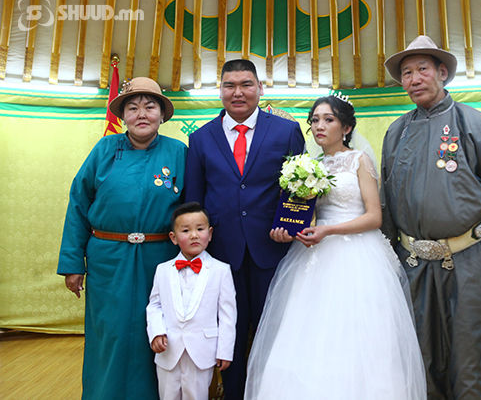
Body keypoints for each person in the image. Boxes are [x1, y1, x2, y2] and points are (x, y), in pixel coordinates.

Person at [244, 94, 427, 399]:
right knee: (309, 332)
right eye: (315, 120)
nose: (319, 126)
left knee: (357, 332)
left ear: (346, 127)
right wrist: (289, 232)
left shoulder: (359, 160)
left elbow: (374, 217)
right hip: (314, 254)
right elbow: (305, 216)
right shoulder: (307, 166)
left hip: (357, 253)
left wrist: (329, 230)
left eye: (328, 119)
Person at [380, 35, 481, 399]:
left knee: (474, 353)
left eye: (422, 70)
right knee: (420, 352)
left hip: (471, 262)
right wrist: (387, 264)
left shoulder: (474, 123)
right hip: (413, 264)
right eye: (406, 73)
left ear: (442, 72)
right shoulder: (396, 132)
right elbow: (387, 204)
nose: (414, 79)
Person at [57, 77, 187, 399]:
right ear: (123, 115)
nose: (141, 114)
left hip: (160, 260)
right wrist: (73, 264)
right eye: (133, 108)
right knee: (109, 333)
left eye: (150, 107)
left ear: (162, 114)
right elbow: (78, 203)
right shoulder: (104, 149)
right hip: (107, 260)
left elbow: (192, 208)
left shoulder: (179, 152)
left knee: (155, 333)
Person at [184, 59, 305, 399]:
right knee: (229, 333)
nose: (238, 92)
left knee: (275, 329)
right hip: (222, 252)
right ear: (220, 90)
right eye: (230, 85)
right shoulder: (200, 138)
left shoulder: (286, 131)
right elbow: (194, 198)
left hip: (273, 249)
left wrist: (288, 225)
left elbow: (300, 187)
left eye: (246, 84)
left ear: (260, 88)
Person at [146, 201, 237, 400]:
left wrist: (225, 350)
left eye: (200, 229)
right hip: (168, 351)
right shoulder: (163, 270)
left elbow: (228, 315)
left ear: (210, 234)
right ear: (173, 237)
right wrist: (156, 332)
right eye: (186, 230)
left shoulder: (221, 270)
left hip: (202, 351)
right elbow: (155, 305)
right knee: (167, 395)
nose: (194, 235)